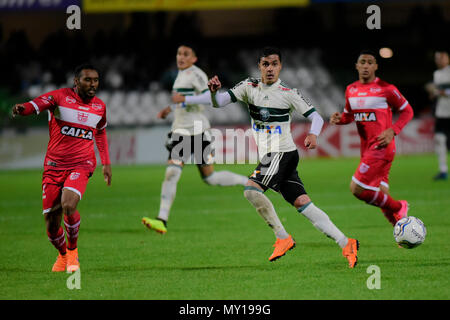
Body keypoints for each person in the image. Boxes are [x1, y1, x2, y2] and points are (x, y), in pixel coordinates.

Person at [178, 47, 359, 268]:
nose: (270, 68)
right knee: (302, 203)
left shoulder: (288, 93)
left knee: (251, 190)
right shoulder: (248, 86)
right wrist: (215, 92)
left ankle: (283, 237)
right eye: (266, 64)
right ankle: (346, 242)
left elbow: (316, 117)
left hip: (281, 152)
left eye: (274, 64)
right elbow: (219, 102)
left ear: (280, 66)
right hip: (276, 156)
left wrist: (313, 133)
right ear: (259, 67)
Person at [11, 64, 112, 272]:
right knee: (51, 224)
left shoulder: (100, 107)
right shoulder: (59, 97)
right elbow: (36, 104)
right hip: (54, 166)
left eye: (95, 80)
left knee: (68, 204)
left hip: (82, 163)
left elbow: (100, 133)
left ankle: (73, 253)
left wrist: (106, 163)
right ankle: (63, 255)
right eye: (87, 80)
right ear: (76, 81)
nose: (93, 84)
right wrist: (24, 109)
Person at [142, 44, 248, 234]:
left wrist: (183, 101)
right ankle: (162, 219)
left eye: (186, 54)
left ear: (194, 59)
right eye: (179, 53)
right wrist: (171, 108)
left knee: (210, 178)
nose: (181, 57)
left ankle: (246, 181)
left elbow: (208, 97)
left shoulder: (196, 74)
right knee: (172, 173)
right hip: (182, 132)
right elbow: (185, 99)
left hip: (198, 131)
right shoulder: (180, 75)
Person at [330, 50, 414, 226]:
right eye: (362, 62)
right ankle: (401, 231)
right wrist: (340, 120)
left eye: (370, 62)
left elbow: (407, 111)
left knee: (357, 189)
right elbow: (349, 115)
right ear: (357, 66)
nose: (366, 65)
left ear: (376, 66)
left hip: (382, 147)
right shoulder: (350, 90)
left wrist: (393, 130)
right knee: (381, 192)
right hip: (367, 149)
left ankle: (400, 206)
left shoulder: (386, 89)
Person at [426, 50, 450, 180]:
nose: (439, 60)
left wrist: (439, 91)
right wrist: (433, 92)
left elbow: (441, 91)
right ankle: (443, 170)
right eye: (437, 58)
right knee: (439, 140)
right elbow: (436, 91)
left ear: (447, 58)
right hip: (442, 113)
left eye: (441, 58)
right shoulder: (437, 74)